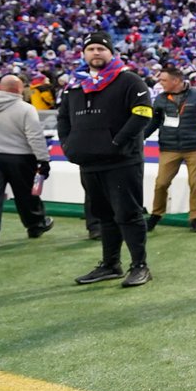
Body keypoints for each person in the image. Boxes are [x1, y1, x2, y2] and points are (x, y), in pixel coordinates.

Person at [58, 31, 153, 287]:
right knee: (103, 216)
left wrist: (117, 142)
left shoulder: (130, 81)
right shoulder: (74, 85)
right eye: (91, 49)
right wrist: (69, 146)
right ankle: (111, 264)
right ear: (84, 54)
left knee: (128, 214)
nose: (96, 52)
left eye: (101, 48)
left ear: (111, 52)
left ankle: (140, 266)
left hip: (122, 161)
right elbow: (63, 118)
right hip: (89, 162)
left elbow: (143, 114)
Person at [144, 65, 196, 232]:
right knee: (161, 183)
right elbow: (154, 122)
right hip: (169, 147)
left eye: (164, 80)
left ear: (176, 81)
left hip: (194, 147)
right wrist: (140, 136)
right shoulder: (160, 99)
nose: (160, 83)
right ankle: (156, 214)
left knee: (195, 184)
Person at [0, 75, 53, 240]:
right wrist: (43, 159)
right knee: (27, 195)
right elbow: (35, 136)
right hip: (20, 158)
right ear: (20, 89)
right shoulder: (25, 108)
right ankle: (35, 225)